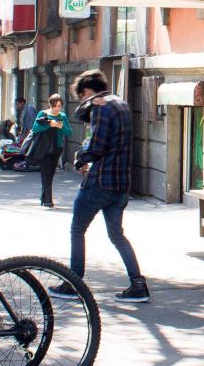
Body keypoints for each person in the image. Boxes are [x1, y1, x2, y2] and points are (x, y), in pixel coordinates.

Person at [52, 69, 149, 303]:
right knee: (117, 235)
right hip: (121, 183)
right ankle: (138, 283)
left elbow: (97, 146)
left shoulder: (100, 106)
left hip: (100, 181)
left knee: (77, 230)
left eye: (81, 95)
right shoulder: (121, 104)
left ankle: (74, 282)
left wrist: (80, 157)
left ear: (86, 90)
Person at [29, 94, 68, 208]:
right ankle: (48, 201)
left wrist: (61, 127)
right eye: (55, 106)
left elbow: (69, 132)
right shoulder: (43, 114)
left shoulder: (62, 116)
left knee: (51, 173)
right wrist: (49, 124)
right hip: (44, 148)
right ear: (50, 105)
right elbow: (35, 127)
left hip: (57, 148)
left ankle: (43, 197)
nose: (57, 108)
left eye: (59, 106)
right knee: (46, 172)